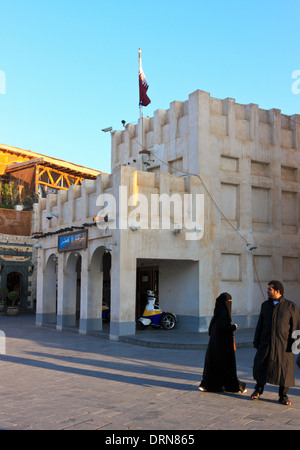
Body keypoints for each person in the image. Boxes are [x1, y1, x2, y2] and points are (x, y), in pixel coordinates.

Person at [251, 280, 300, 405]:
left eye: (270, 289)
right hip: (266, 344)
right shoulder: (265, 305)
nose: (267, 291)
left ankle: (283, 396)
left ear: (277, 291)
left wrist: (296, 345)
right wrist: (257, 341)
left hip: (283, 346)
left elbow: (296, 326)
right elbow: (260, 325)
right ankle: (258, 391)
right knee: (261, 367)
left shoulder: (291, 306)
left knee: (284, 371)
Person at [199, 292, 247, 393]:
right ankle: (232, 386)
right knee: (227, 366)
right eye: (229, 302)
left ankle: (208, 385)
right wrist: (234, 327)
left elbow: (212, 329)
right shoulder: (223, 313)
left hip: (215, 346)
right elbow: (223, 328)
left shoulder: (217, 313)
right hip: (223, 346)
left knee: (214, 365)